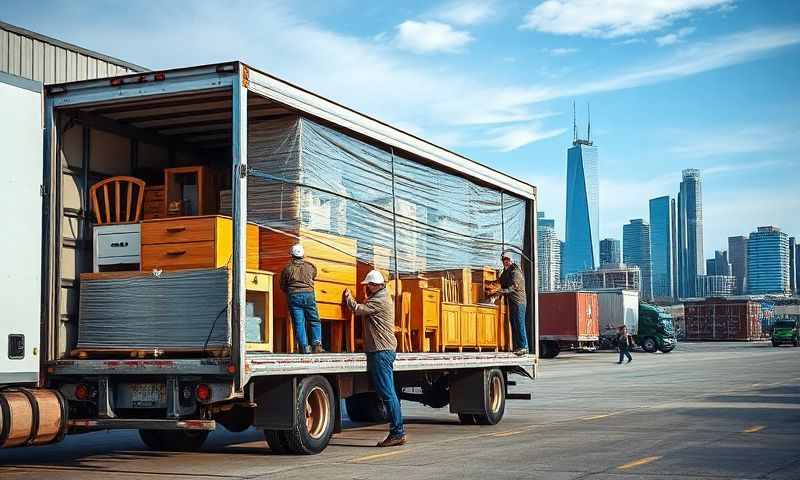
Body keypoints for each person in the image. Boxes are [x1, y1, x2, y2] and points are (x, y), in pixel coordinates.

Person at [344, 270, 406, 447]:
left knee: (387, 394)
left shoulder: (379, 300)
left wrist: (349, 298)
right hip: (382, 350)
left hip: (381, 351)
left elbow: (358, 309)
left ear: (376, 285)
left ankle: (397, 432)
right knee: (388, 393)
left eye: (369, 285)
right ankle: (398, 431)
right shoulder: (381, 296)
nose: (367, 288)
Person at [279, 244, 324, 354]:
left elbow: (282, 285)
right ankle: (317, 343)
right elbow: (313, 276)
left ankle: (304, 347)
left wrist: (290, 291)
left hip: (294, 296)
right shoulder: (311, 266)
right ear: (303, 255)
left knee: (299, 323)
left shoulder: (287, 269)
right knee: (314, 320)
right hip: (309, 294)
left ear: (292, 255)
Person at [495, 252, 529, 356]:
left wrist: (501, 291)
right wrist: (491, 284)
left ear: (511, 260)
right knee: (513, 324)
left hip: (519, 302)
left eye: (508, 259)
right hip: (512, 302)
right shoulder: (506, 272)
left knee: (519, 323)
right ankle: (518, 346)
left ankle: (524, 347)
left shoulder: (515, 272)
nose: (506, 261)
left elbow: (513, 287)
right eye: (504, 260)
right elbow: (500, 282)